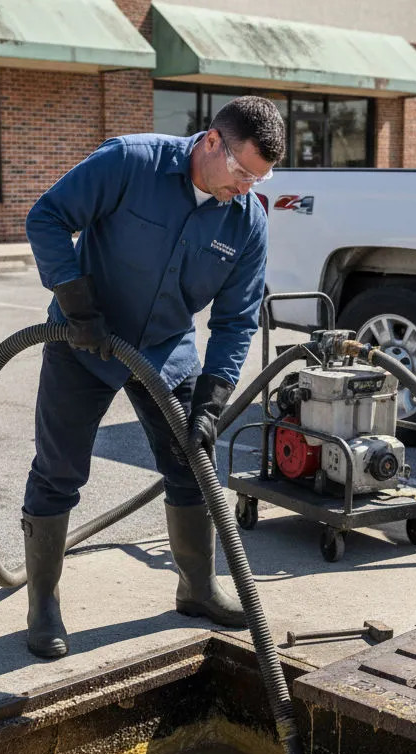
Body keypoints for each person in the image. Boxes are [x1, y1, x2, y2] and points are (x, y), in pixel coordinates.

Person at [21, 97, 286, 658]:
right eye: (241, 172)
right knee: (58, 471)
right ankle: (42, 605)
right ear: (211, 141)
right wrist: (74, 298)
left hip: (168, 353)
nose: (245, 188)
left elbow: (237, 318)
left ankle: (196, 589)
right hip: (83, 341)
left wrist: (215, 393)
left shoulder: (247, 220)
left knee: (194, 463)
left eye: (258, 179)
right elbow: (46, 217)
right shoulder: (130, 162)